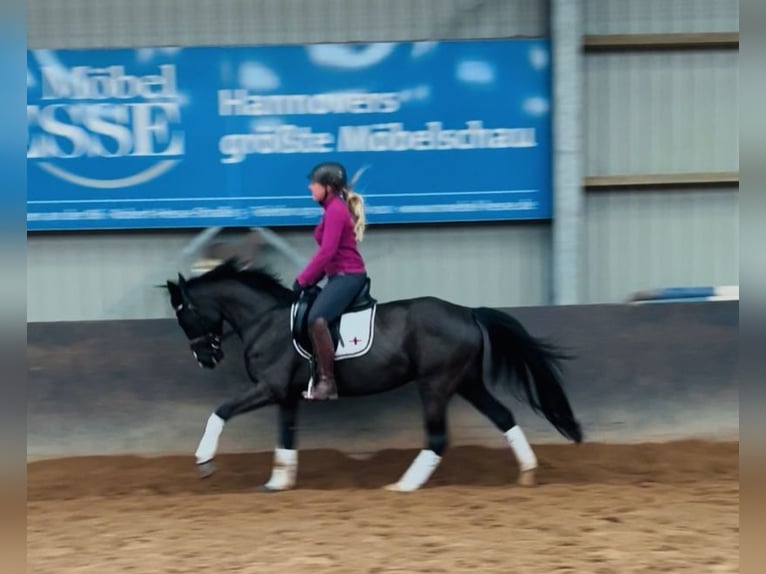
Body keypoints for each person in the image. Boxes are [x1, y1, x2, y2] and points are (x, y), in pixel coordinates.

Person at [293, 161, 368, 400]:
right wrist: (312, 279)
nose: (309, 188)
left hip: (348, 276)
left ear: (328, 187)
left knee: (317, 319)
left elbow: (327, 251)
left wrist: (303, 279)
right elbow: (329, 256)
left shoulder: (335, 210)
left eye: (314, 183)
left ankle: (327, 383)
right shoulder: (330, 210)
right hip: (337, 275)